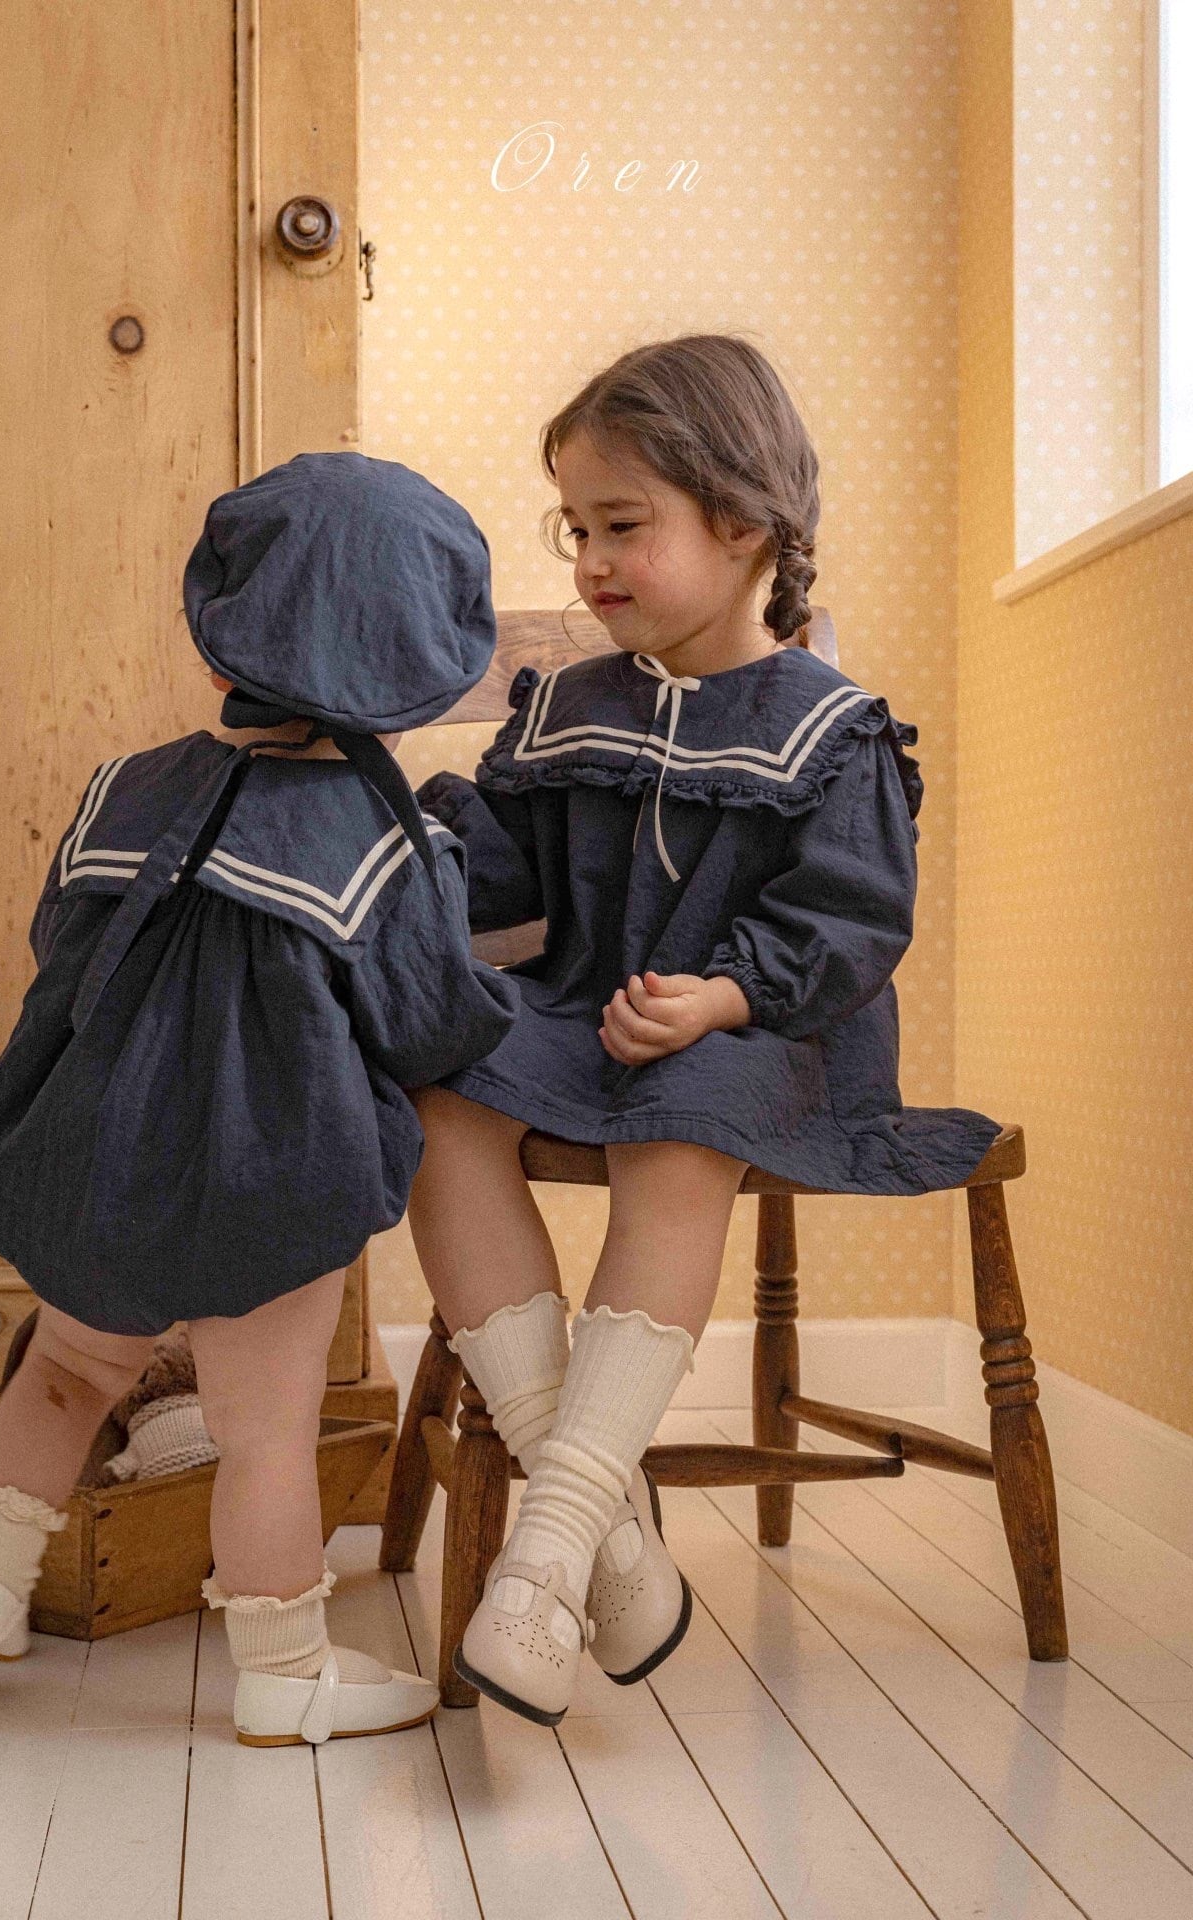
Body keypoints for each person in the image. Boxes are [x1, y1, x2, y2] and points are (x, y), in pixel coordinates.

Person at [409, 333, 1004, 1726]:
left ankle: (544, 1550)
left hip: (771, 1032)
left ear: (744, 524)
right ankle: (597, 1534)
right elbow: (508, 884)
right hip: (589, 1010)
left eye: (624, 526)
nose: (591, 563)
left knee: (683, 1125)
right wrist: (414, 835)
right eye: (576, 530)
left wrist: (726, 993)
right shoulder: (568, 707)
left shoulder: (830, 728)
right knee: (438, 1091)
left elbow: (852, 923)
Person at [0, 453, 521, 1748]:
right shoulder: (387, 843)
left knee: (70, 1367)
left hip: (97, 1142)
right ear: (416, 671)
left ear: (220, 634)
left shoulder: (121, 786)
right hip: (267, 1173)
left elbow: (59, 943)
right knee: (265, 1431)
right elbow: (427, 1024)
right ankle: (284, 1669)